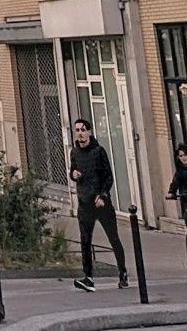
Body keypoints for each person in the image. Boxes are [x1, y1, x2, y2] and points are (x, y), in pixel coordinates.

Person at [68, 118, 128, 292]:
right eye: (77, 130)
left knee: (113, 238)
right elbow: (72, 170)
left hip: (101, 203)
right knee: (85, 241)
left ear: (89, 132)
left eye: (83, 130)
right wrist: (74, 174)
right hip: (85, 203)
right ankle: (88, 278)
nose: (80, 133)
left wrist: (103, 195)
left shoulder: (98, 151)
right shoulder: (74, 152)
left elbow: (108, 177)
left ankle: (123, 272)